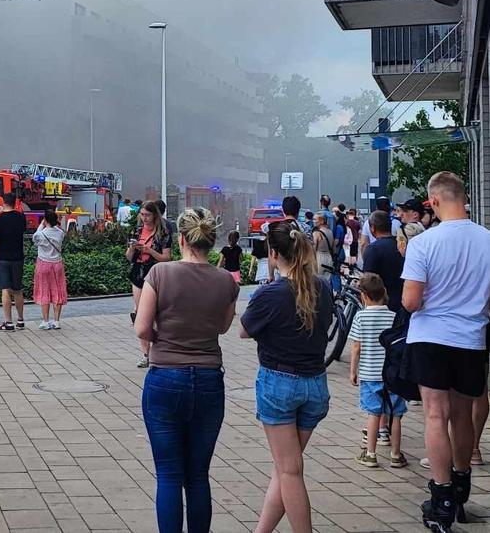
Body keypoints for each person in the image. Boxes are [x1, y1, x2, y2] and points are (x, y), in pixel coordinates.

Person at [135, 207, 238, 532]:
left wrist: (161, 338)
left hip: (165, 379)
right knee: (197, 476)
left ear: (181, 239)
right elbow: (222, 328)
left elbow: (141, 329)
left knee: (168, 474)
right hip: (209, 380)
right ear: (210, 242)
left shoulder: (160, 275)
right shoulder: (226, 281)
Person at [402, 171, 490, 530]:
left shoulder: (424, 243)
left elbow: (410, 301)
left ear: (434, 200)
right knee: (462, 414)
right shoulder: (487, 240)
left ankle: (441, 499)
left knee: (435, 417)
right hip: (472, 338)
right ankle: (463, 478)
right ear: (464, 197)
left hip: (431, 337)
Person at [240, 219, 334, 533]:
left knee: (290, 471)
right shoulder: (322, 287)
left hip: (279, 385)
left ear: (273, 254)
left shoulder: (272, 293)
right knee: (285, 470)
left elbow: (243, 330)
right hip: (315, 386)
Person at [350, 273, 408, 469]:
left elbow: (356, 347)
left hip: (369, 373)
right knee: (396, 415)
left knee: (373, 414)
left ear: (362, 296)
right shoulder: (393, 317)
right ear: (384, 292)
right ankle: (396, 454)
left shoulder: (360, 316)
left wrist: (353, 371)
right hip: (392, 374)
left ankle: (371, 454)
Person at [127, 200, 172, 368]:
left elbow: (167, 257)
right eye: (142, 214)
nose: (144, 218)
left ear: (155, 215)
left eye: (148, 215)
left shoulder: (163, 233)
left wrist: (149, 250)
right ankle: (146, 354)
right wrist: (133, 249)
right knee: (141, 313)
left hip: (156, 273)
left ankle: (159, 350)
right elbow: (128, 257)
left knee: (157, 314)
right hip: (138, 273)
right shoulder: (136, 230)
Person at [0, 192, 27, 331]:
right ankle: (21, 320)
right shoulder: (20, 217)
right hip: (18, 258)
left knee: (5, 289)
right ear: (15, 202)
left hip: (2, 259)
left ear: (3, 202)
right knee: (17, 289)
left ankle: (8, 322)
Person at [361, 211, 403, 313]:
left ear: (372, 228)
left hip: (381, 305)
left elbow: (368, 281)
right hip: (403, 301)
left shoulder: (373, 249)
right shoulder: (401, 246)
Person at [33, 211, 67, 329]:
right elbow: (59, 231)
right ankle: (56, 321)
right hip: (57, 264)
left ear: (45, 220)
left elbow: (35, 237)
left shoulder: (40, 234)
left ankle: (45, 321)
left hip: (43, 263)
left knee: (44, 290)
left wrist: (42, 224)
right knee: (58, 290)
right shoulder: (60, 233)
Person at [311, 213, 336, 279]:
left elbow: (313, 249)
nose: (313, 221)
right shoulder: (330, 232)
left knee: (317, 282)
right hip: (329, 258)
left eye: (315, 219)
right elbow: (334, 248)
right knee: (326, 281)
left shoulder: (316, 233)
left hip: (318, 258)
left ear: (321, 221)